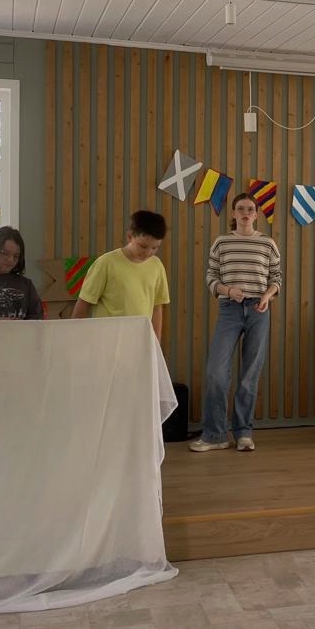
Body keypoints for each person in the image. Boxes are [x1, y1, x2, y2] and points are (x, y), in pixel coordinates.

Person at [190, 194, 282, 453]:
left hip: (259, 309)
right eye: (240, 208)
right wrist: (228, 291)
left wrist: (267, 296)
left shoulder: (267, 243)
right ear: (233, 213)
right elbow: (211, 276)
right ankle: (215, 435)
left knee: (250, 373)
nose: (245, 212)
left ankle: (244, 433)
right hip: (229, 308)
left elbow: (276, 276)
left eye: (250, 209)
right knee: (216, 372)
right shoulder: (222, 243)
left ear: (256, 214)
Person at [71, 210, 169, 340]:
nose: (148, 253)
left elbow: (157, 307)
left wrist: (156, 343)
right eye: (143, 246)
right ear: (130, 236)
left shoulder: (156, 265)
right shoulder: (106, 263)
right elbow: (83, 303)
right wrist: (75, 339)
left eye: (154, 248)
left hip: (139, 340)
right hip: (107, 340)